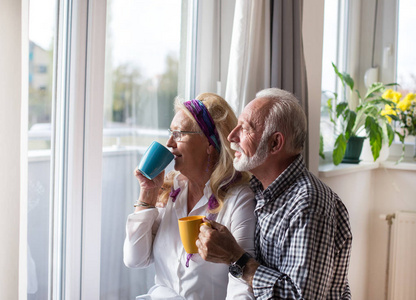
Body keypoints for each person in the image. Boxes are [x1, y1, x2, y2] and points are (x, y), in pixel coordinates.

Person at [197, 88, 352, 299]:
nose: (232, 136)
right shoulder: (258, 189)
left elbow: (302, 297)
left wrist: (236, 257)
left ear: (275, 143)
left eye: (245, 128)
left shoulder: (308, 203)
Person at [123, 93, 256, 300]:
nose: (169, 143)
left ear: (210, 144)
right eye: (170, 133)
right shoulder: (170, 189)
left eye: (179, 134)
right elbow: (135, 259)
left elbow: (242, 287)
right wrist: (147, 193)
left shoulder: (238, 200)